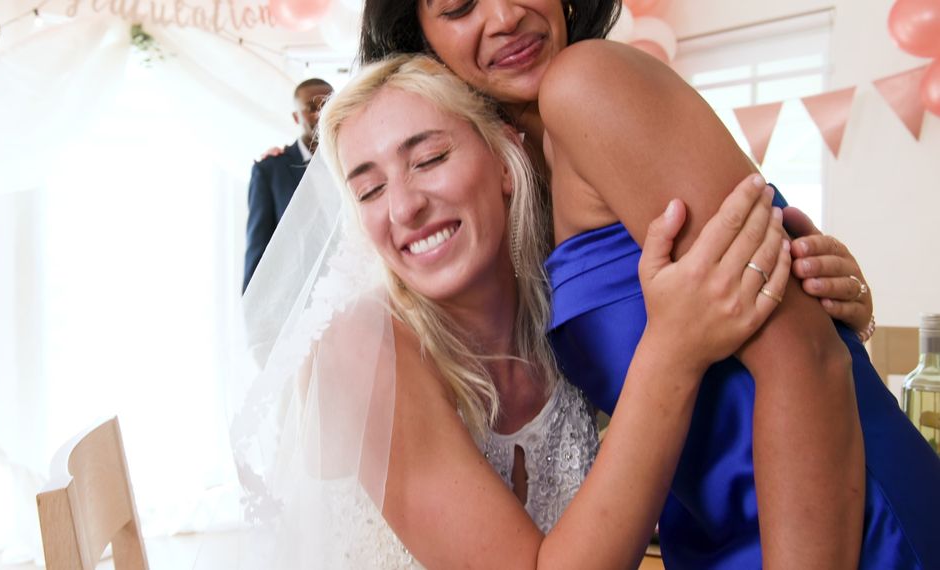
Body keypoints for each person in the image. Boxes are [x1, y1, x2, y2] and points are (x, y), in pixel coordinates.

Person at [358, 1, 940, 568]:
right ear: (421, 39)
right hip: (719, 537)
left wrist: (848, 314)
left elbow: (806, 357)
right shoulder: (516, 185)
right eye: (460, 6)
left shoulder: (587, 81)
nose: (504, 16)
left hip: (846, 528)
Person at [230, 53, 791, 569]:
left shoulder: (562, 300)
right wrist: (672, 355)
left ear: (505, 160)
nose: (404, 206)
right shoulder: (358, 348)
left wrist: (819, 276)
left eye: (428, 159)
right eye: (370, 191)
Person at [243, 78, 334, 292]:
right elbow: (259, 247)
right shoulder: (270, 170)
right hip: (294, 297)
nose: (320, 114)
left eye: (327, 105)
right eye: (311, 108)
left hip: (353, 290)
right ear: (296, 117)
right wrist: (253, 309)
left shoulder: (353, 161)